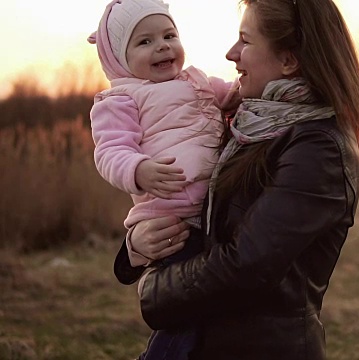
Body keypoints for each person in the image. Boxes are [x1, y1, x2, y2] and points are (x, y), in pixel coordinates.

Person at [114, 0, 359, 358]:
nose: (230, 54)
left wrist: (154, 292)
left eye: (245, 41)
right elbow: (197, 212)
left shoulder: (318, 147)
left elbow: (247, 264)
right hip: (205, 342)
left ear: (288, 60)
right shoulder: (248, 124)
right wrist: (135, 249)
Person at [87, 0, 240, 359]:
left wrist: (248, 91)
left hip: (208, 210)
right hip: (170, 222)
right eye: (144, 42)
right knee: (184, 312)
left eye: (169, 35)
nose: (162, 46)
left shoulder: (198, 80)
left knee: (208, 308)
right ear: (119, 60)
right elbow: (110, 151)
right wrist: (139, 170)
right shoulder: (120, 99)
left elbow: (236, 93)